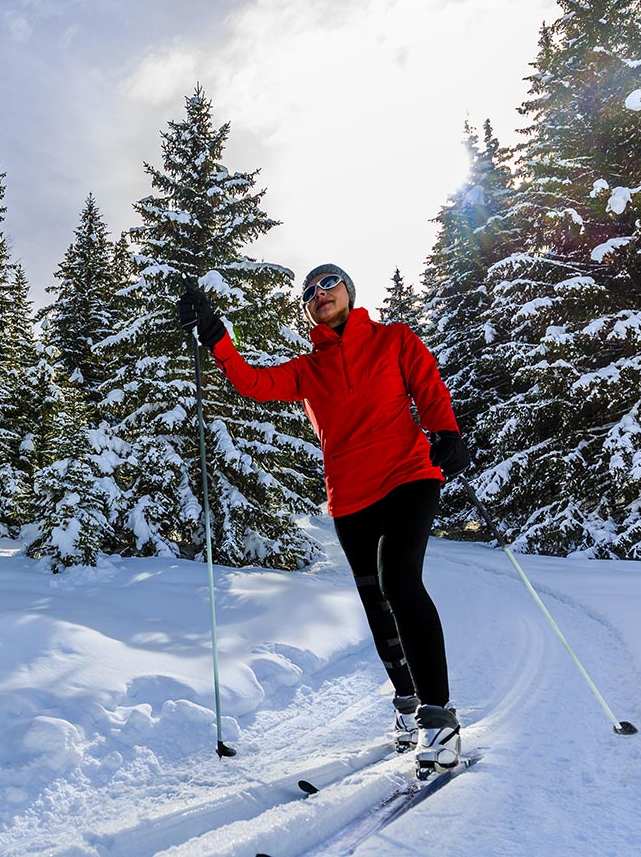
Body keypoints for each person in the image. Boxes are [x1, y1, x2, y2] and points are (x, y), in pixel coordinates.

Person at [177, 264, 472, 771]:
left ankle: (439, 720)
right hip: (350, 496)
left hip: (408, 475)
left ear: (349, 292)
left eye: (328, 283)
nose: (319, 294)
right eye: (310, 293)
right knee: (377, 603)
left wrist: (446, 432)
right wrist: (218, 339)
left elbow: (427, 384)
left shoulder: (394, 339)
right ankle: (405, 704)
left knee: (401, 582)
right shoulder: (308, 368)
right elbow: (253, 383)